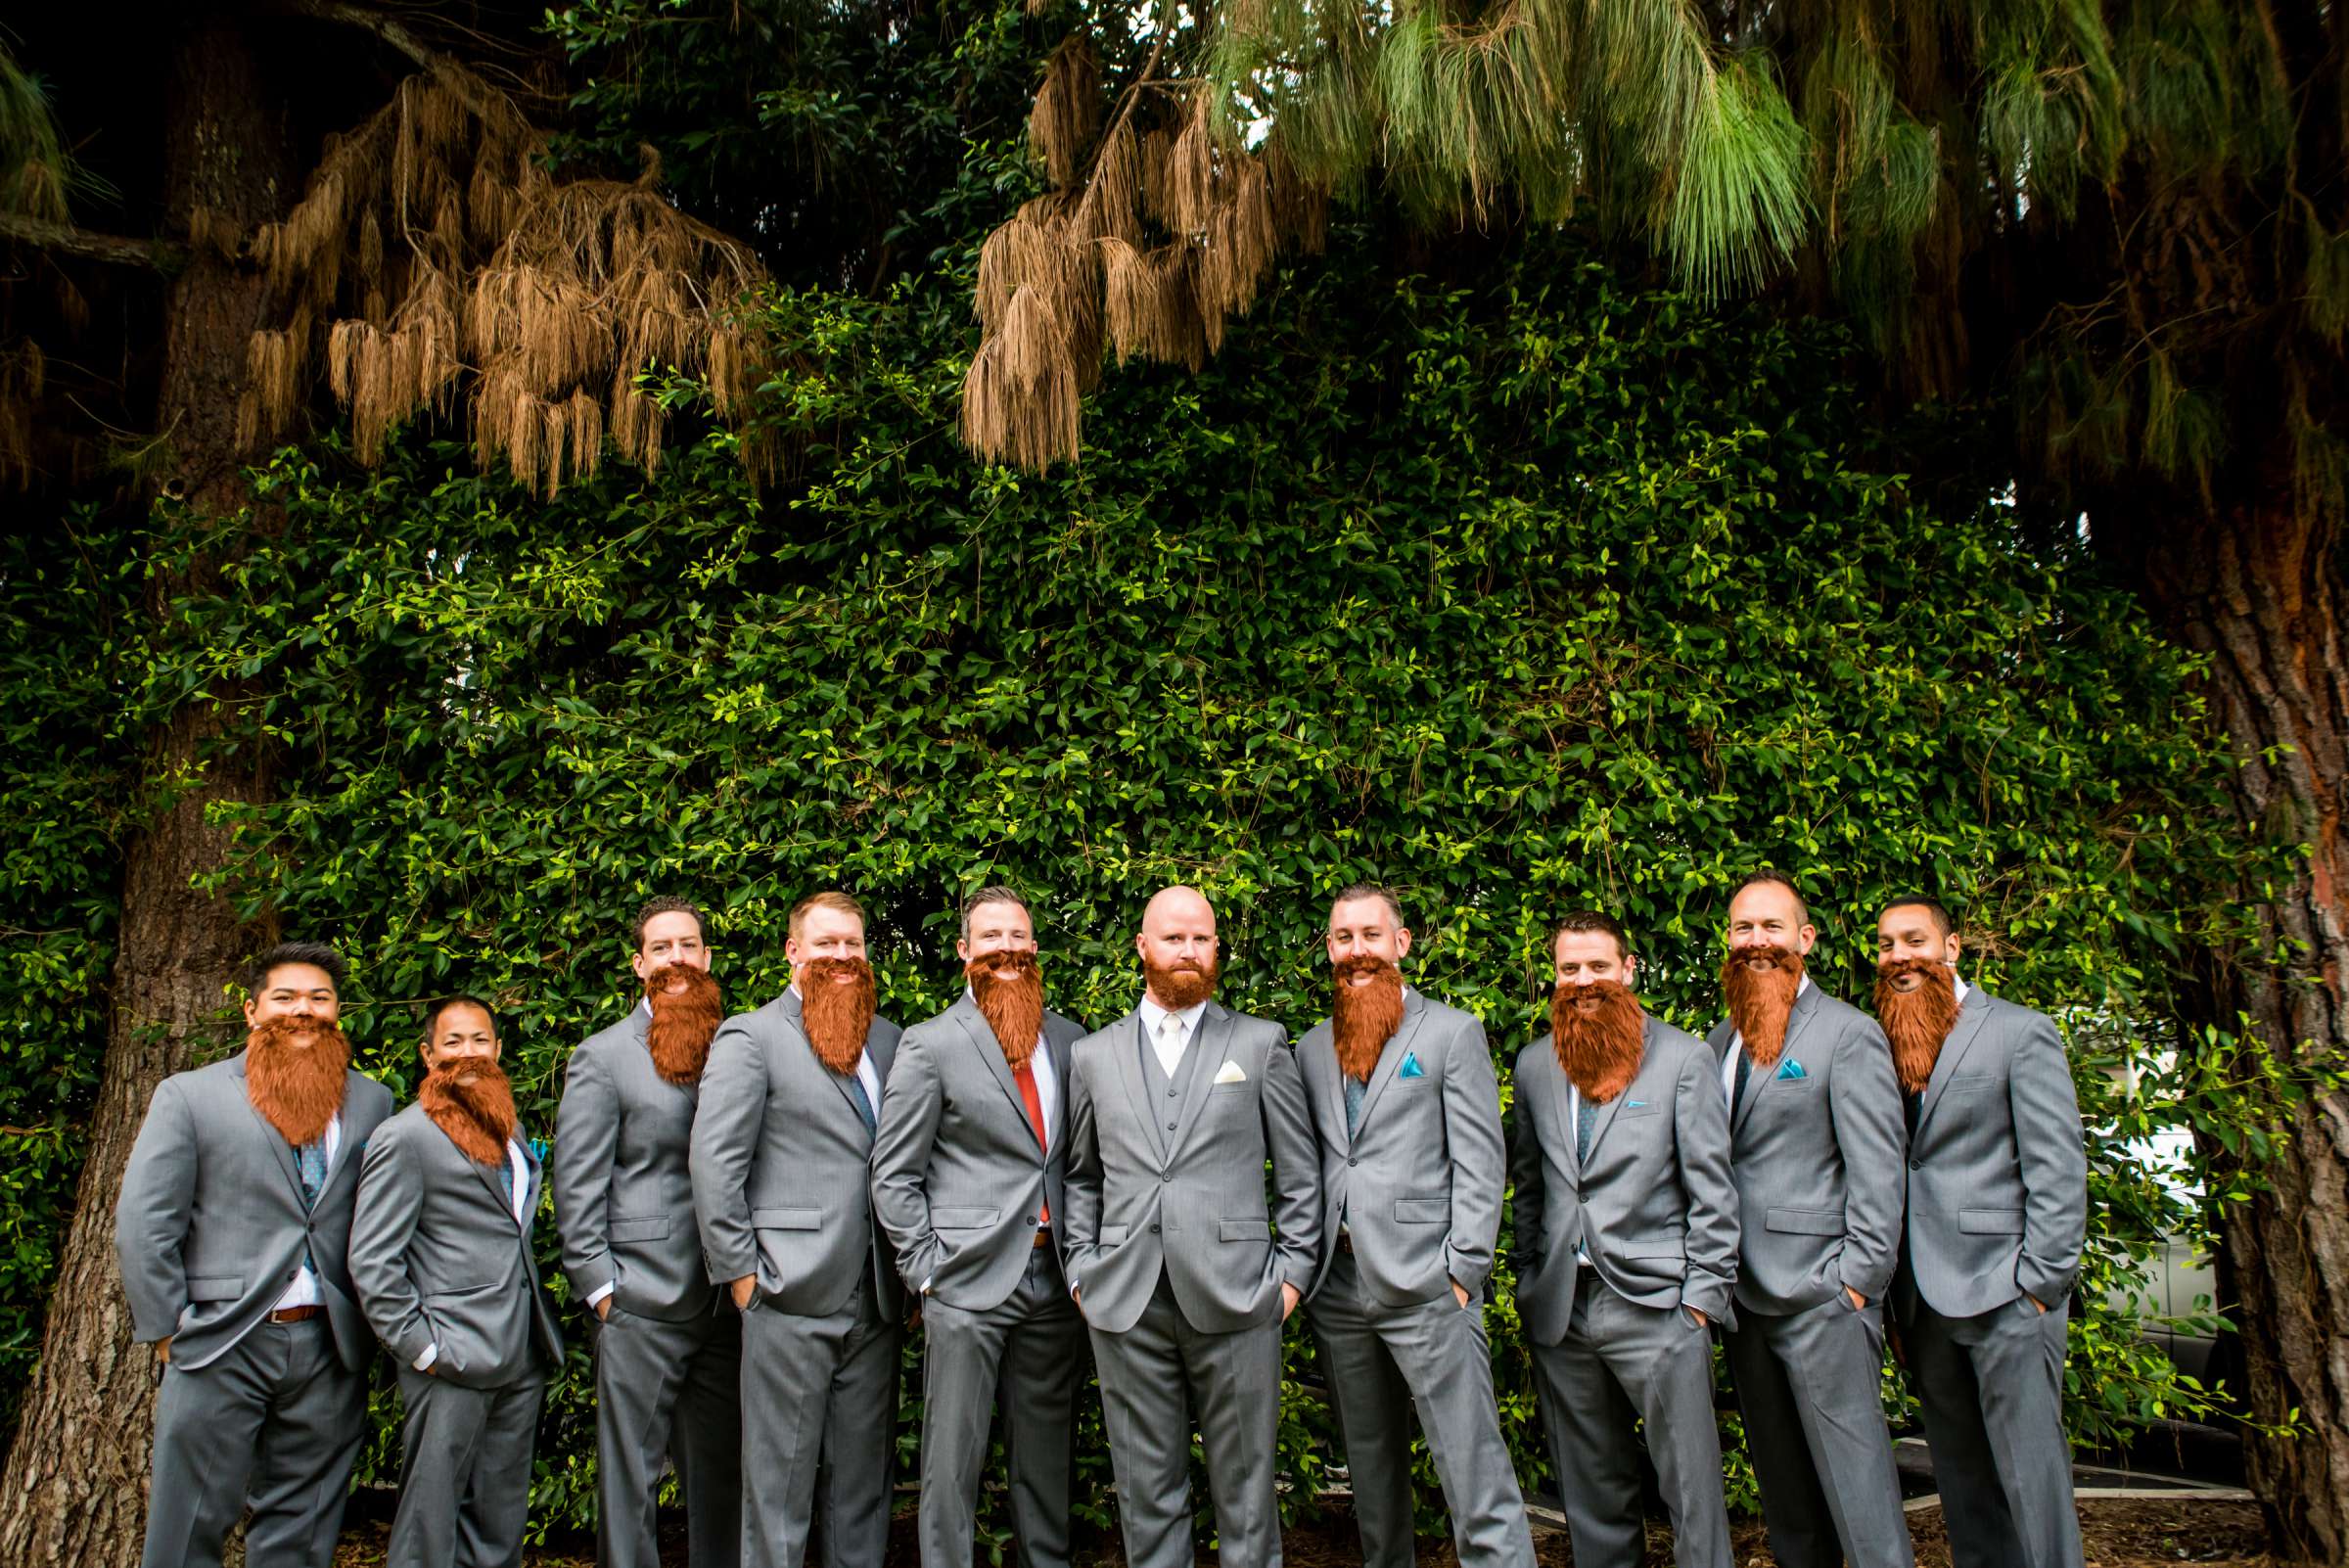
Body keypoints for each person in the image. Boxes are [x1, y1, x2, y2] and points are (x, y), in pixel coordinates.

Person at [1060, 885, 1320, 1568]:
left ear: (1216, 950)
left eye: (1202, 938)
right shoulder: (1093, 1056)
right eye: (1174, 938)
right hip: (1126, 1300)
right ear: (1143, 947)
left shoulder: (1259, 1045)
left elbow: (1299, 1174)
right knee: (1146, 1494)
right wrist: (1083, 1271)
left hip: (1239, 1298)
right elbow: (1082, 1176)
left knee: (1246, 1493)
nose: (1189, 951)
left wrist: (1289, 1278)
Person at [115, 942, 394, 1568]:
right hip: (221, 1339)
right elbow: (145, 1220)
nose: (304, 1010)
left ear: (337, 1011)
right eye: (286, 997)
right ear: (252, 1011)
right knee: (189, 1525)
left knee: (304, 1527)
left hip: (330, 1344)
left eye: (320, 998)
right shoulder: (189, 1096)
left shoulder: (373, 1102)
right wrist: (168, 1330)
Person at [1291, 884, 1534, 1568]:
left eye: (1371, 935)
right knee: (1371, 1481)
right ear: (1330, 950)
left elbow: (1482, 1162)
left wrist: (1462, 1271)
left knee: (1473, 1471)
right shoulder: (1310, 1049)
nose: (1356, 950)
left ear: (1401, 944)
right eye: (1343, 938)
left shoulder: (1451, 1033)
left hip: (1431, 1284)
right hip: (1339, 1292)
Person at [1510, 910, 1738, 1568]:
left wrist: (1700, 1301)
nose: (1583, 981)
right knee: (1592, 1490)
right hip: (1563, 1310)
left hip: (1660, 1308)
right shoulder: (1533, 1066)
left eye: (1598, 966)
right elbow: (1531, 1190)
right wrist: (1530, 1282)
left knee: (1691, 1490)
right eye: (1569, 969)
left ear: (1629, 969)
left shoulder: (1683, 1058)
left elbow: (1713, 1191)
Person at [871, 885, 1090, 1568]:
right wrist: (928, 1270)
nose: (1006, 949)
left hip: (1055, 1281)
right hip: (965, 1283)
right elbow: (894, 1174)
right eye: (990, 938)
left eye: (1017, 937)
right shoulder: (930, 1044)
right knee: (951, 1462)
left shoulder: (1070, 1038)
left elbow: (1080, 1162)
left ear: (1033, 948)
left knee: (1047, 1459)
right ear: (965, 951)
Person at [690, 890, 903, 1568]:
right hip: (786, 1297)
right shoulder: (751, 1037)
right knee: (777, 1496)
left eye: (853, 944)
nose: (842, 956)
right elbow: (714, 1164)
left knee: (862, 1494)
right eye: (826, 943)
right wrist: (744, 1278)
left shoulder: (891, 1041)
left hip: (876, 1300)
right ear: (793, 951)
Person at [1707, 871, 1912, 1568]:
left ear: (1806, 939)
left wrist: (1855, 1284)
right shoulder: (1718, 1041)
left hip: (1822, 1304)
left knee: (1864, 1511)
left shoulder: (1848, 1035)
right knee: (1789, 1513)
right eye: (1743, 928)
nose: (1756, 941)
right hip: (1746, 1307)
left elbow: (1879, 1173)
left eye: (1771, 927)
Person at [1876, 896, 2087, 1568]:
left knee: (2033, 1481)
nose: (1899, 956)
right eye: (1885, 945)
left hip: (2006, 1295)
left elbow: (2057, 1166)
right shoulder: (1882, 1040)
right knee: (1963, 1483)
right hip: (1923, 1306)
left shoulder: (2018, 1032)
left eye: (1914, 939)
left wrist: (2039, 1287)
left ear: (1952, 947)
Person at [552, 895, 742, 1568]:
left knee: (722, 1481)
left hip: (726, 1303)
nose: (677, 959)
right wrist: (603, 1290)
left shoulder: (737, 1047)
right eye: (661, 949)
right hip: (639, 1301)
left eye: (688, 945)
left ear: (708, 957)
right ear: (639, 965)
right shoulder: (602, 1057)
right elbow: (576, 1186)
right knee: (630, 1481)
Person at [349, 994, 564, 1568]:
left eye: (479, 1040)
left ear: (497, 1048)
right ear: (428, 1054)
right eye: (453, 1042)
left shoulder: (508, 1125)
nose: (468, 1053)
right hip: (450, 1359)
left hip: (520, 1352)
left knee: (499, 1520)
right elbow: (373, 1261)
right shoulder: (405, 1138)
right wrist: (422, 1351)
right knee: (429, 1521)